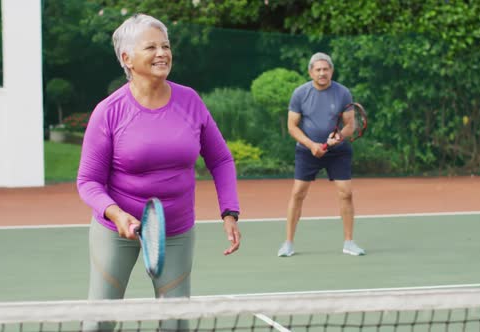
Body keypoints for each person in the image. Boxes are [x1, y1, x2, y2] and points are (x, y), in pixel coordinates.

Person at [77, 14, 241, 331]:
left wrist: (229, 211)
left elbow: (220, 159)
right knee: (98, 322)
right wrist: (115, 214)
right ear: (127, 58)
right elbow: (88, 182)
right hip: (116, 231)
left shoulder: (190, 101)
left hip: (176, 230)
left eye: (165, 45)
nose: (162, 53)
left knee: (176, 325)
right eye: (150, 47)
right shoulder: (108, 112)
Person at [277, 52, 365, 257]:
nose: (322, 73)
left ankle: (349, 242)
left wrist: (338, 137)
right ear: (311, 72)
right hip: (307, 152)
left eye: (326, 69)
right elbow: (292, 126)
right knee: (298, 193)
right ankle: (288, 243)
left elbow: (350, 125)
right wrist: (311, 145)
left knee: (346, 193)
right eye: (318, 70)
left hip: (338, 152)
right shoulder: (300, 93)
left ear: (331, 71)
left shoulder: (343, 93)